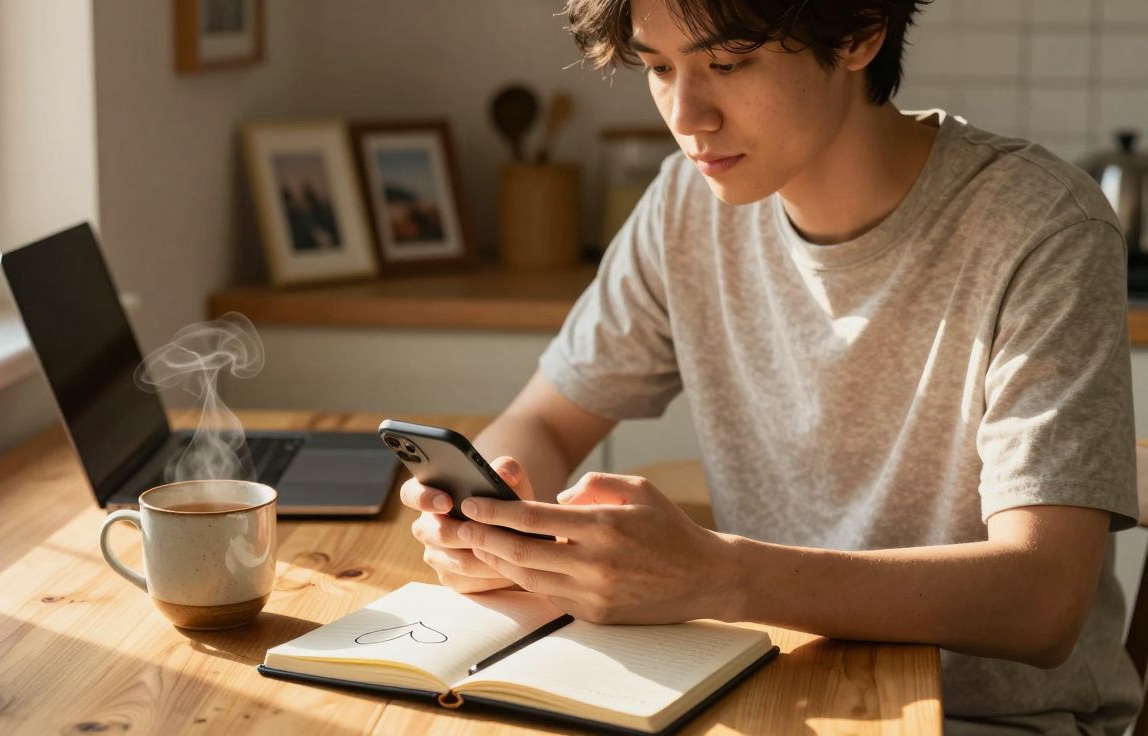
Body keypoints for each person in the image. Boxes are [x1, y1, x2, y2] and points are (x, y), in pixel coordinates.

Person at [400, 0, 1142, 732]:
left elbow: (1042, 602)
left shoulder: (1041, 226)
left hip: (988, 720)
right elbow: (543, 421)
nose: (687, 116)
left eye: (728, 64)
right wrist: (490, 522)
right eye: (660, 68)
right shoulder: (685, 204)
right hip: (771, 690)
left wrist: (717, 576)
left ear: (860, 33)